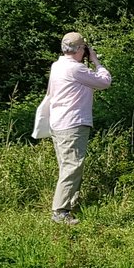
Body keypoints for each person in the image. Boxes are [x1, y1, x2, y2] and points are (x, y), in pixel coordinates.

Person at [47, 32, 112, 225]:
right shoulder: (76, 69)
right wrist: (96, 62)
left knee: (67, 165)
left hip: (58, 122)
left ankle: (70, 202)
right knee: (72, 166)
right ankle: (60, 211)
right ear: (80, 50)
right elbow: (105, 82)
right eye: (84, 48)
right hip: (72, 123)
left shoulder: (57, 65)